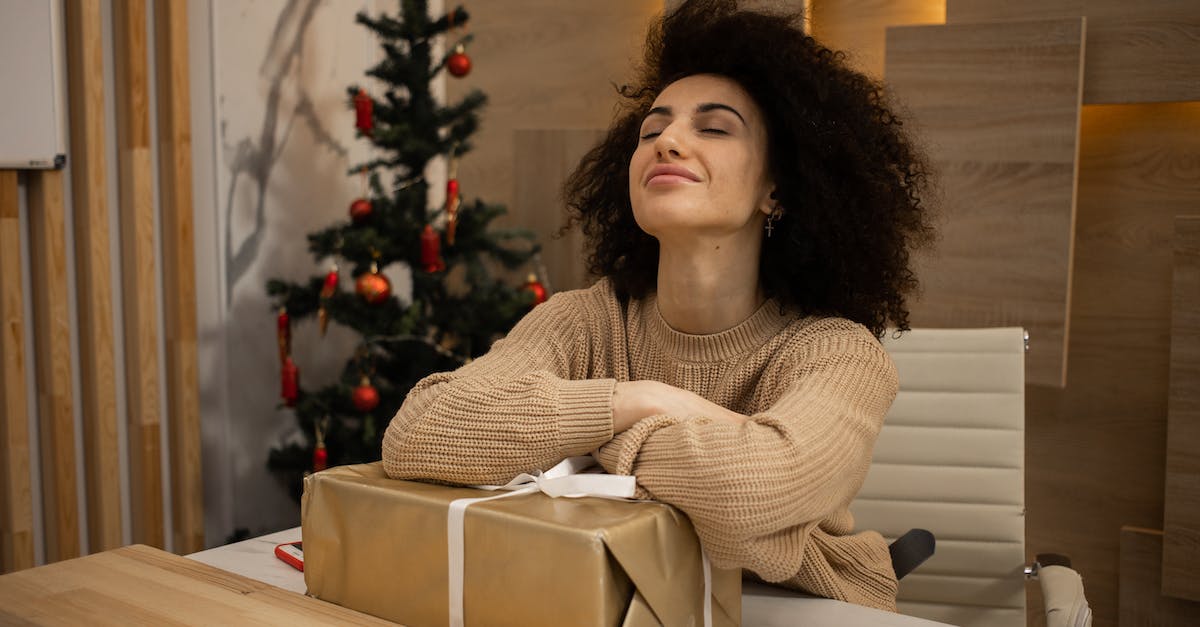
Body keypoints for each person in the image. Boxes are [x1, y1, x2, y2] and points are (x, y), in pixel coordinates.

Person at [382, 0, 933, 612]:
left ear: (776, 189)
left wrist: (598, 448)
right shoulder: (586, 319)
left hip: (793, 609)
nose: (667, 141)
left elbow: (750, 490)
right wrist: (642, 399)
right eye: (652, 130)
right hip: (616, 597)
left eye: (714, 127)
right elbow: (420, 431)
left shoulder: (836, 351)